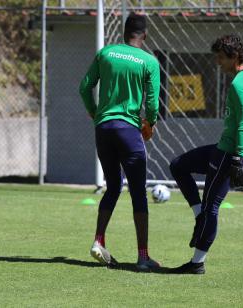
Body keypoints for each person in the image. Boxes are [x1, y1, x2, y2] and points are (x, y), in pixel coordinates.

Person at [168, 33, 243, 274]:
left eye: (221, 58)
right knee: (178, 165)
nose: (217, 62)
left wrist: (237, 158)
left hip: (229, 153)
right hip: (224, 148)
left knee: (212, 206)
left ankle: (197, 263)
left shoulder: (240, 83)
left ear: (234, 57)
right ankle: (198, 214)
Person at [79, 13, 161, 271]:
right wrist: (150, 123)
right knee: (138, 192)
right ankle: (143, 257)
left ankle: (98, 240)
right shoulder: (149, 61)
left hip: (103, 128)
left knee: (113, 186)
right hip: (128, 131)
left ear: (124, 33)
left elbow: (84, 86)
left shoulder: (106, 53)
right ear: (144, 35)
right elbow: (152, 103)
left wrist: (94, 112)